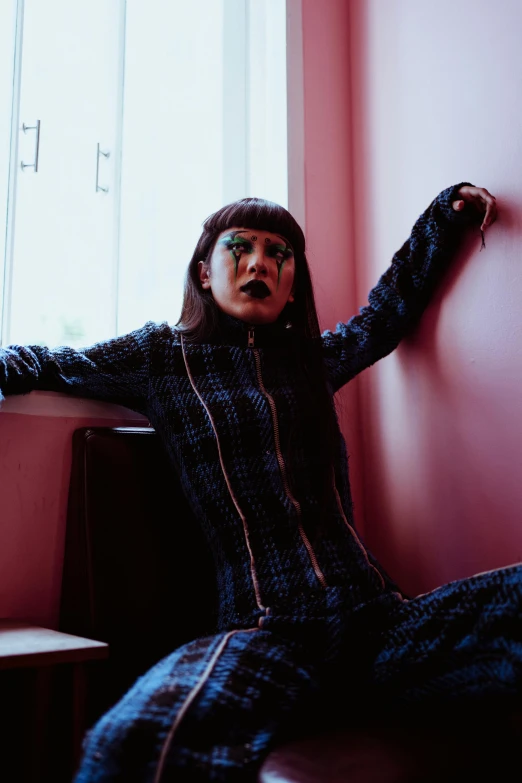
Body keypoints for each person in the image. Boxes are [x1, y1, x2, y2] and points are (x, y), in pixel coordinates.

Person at [1, 181, 519, 783]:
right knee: (136, 742)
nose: (259, 264)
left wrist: (443, 216)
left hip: (378, 623)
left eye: (279, 254)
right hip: (265, 632)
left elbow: (385, 316)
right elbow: (49, 362)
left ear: (292, 280)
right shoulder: (162, 357)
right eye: (239, 248)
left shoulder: (312, 360)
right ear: (203, 272)